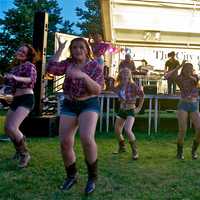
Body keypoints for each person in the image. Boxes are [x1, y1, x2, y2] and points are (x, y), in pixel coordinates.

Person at [47, 37, 104, 194]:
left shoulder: (94, 66)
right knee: (65, 142)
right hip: (70, 104)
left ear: (87, 50)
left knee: (86, 138)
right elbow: (50, 68)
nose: (77, 50)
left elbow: (97, 90)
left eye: (81, 47)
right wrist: (59, 49)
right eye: (74, 48)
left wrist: (83, 76)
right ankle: (71, 176)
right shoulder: (67, 63)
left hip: (88, 104)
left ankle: (92, 177)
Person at [4, 44, 37, 168]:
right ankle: (18, 150)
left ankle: (25, 154)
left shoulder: (30, 66)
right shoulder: (14, 68)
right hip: (16, 99)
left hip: (26, 99)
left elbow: (30, 79)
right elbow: (8, 85)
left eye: (24, 52)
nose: (21, 53)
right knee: (7, 128)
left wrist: (14, 77)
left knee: (13, 127)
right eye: (20, 50)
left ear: (28, 55)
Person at [165, 61, 200, 160]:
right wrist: (178, 67)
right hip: (183, 105)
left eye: (190, 69)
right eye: (186, 69)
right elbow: (167, 76)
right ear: (183, 70)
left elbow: (195, 81)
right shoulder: (179, 79)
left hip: (194, 105)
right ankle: (180, 153)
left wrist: (190, 76)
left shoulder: (195, 77)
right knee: (182, 130)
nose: (188, 71)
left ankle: (193, 151)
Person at [112, 68, 144, 160]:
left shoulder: (133, 85)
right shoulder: (119, 86)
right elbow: (114, 90)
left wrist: (138, 108)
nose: (125, 75)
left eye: (127, 74)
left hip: (130, 110)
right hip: (122, 110)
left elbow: (142, 95)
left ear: (130, 76)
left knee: (127, 130)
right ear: (121, 75)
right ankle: (122, 147)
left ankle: (135, 151)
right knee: (117, 130)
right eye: (124, 74)